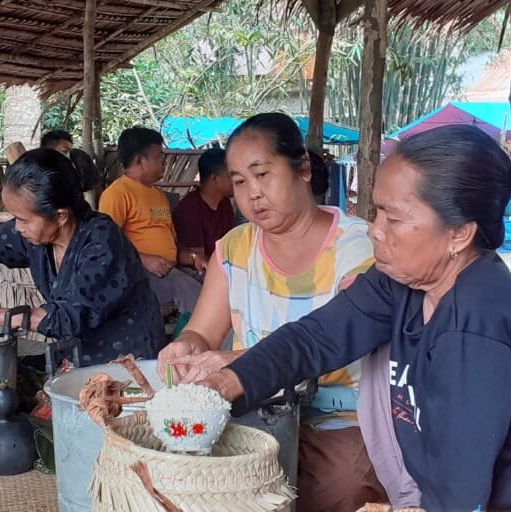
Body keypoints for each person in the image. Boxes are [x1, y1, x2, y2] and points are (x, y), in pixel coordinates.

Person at [197, 125, 511, 510]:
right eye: (377, 212)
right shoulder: (404, 282)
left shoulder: (475, 328)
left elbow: (460, 489)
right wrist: (225, 383)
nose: (374, 230)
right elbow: (317, 337)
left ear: (458, 234)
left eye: (394, 218)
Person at [157, 113, 382, 511]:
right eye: (240, 182)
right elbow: (204, 332)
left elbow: (333, 348)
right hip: (250, 414)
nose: (253, 194)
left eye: (263, 174)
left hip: (338, 419)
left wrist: (234, 364)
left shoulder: (357, 247)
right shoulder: (232, 248)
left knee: (339, 485)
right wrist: (187, 347)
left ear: (304, 170)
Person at [0, 148, 165, 366]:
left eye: (23, 219)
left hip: (127, 361)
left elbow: (64, 319)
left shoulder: (102, 242)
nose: (17, 227)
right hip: (75, 357)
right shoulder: (37, 236)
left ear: (61, 216)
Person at [99, 127, 202, 316]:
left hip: (169, 268)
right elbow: (106, 244)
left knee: (214, 285)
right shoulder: (116, 194)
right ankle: (196, 342)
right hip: (139, 274)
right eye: (158, 157)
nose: (163, 162)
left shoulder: (158, 195)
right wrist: (143, 259)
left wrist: (194, 259)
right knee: (194, 296)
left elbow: (170, 243)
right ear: (139, 160)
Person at [172, 147, 234, 262]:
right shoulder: (190, 208)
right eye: (231, 176)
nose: (236, 180)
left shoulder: (225, 203)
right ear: (214, 179)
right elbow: (199, 260)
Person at [41, 130, 99, 209]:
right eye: (65, 151)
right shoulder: (37, 174)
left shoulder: (77, 163)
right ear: (47, 151)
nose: (68, 157)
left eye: (69, 152)